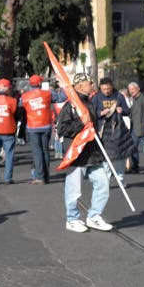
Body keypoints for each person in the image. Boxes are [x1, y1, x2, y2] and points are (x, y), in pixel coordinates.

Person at [57, 73, 113, 233]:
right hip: (76, 154)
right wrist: (80, 122)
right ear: (80, 86)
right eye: (90, 83)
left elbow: (93, 128)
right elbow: (62, 130)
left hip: (93, 153)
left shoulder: (90, 103)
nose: (93, 86)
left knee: (103, 183)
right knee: (74, 190)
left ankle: (94, 216)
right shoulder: (70, 106)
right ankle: (72, 219)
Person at [91, 77, 134, 188]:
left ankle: (120, 179)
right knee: (105, 157)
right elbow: (91, 114)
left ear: (112, 86)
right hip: (103, 131)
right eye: (104, 89)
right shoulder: (96, 98)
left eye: (108, 89)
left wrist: (122, 110)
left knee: (119, 156)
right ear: (100, 88)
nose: (106, 91)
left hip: (117, 130)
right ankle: (107, 180)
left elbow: (128, 111)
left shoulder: (119, 96)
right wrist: (101, 113)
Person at [21, 74, 53, 184]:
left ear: (30, 84)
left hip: (33, 126)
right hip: (46, 125)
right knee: (45, 150)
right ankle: (46, 175)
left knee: (37, 151)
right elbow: (59, 97)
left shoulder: (25, 96)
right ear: (40, 83)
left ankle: (40, 176)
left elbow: (21, 105)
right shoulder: (48, 94)